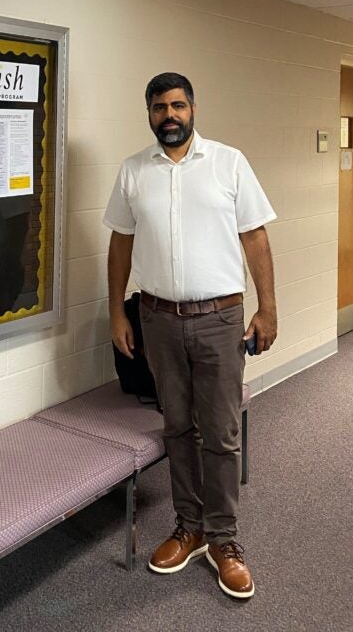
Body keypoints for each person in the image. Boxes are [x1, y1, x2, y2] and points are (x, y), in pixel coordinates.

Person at [104, 72, 277, 600]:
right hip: (157, 319)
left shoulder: (229, 162)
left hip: (220, 318)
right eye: (160, 108)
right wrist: (117, 312)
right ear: (149, 113)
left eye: (178, 105)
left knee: (222, 432)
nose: (170, 115)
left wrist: (268, 308)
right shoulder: (134, 171)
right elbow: (119, 246)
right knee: (178, 427)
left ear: (193, 109)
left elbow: (256, 238)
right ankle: (190, 526)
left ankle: (224, 539)